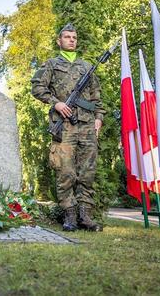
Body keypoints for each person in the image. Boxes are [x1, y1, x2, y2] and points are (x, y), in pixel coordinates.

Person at [30, 24, 105, 232]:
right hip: (64, 127)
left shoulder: (86, 67)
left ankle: (85, 216)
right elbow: (37, 87)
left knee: (87, 173)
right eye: (67, 37)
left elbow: (96, 96)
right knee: (66, 172)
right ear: (59, 41)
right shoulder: (52, 65)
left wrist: (98, 118)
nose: (72, 40)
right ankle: (70, 216)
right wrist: (56, 102)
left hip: (87, 126)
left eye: (74, 37)